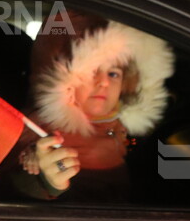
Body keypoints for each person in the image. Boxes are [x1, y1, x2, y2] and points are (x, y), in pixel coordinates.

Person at [15, 21, 175, 202]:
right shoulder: (40, 127)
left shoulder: (122, 125)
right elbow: (9, 186)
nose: (104, 82)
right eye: (92, 72)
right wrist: (45, 178)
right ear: (66, 79)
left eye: (113, 74)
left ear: (125, 84)